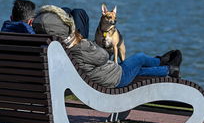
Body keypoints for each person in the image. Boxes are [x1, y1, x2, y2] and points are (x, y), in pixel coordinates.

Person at [32, 5, 181, 88]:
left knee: (138, 70)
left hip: (98, 76)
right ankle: (162, 62)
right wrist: (87, 42)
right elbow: (103, 56)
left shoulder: (50, 44)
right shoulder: (77, 46)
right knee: (140, 57)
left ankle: (169, 69)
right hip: (114, 78)